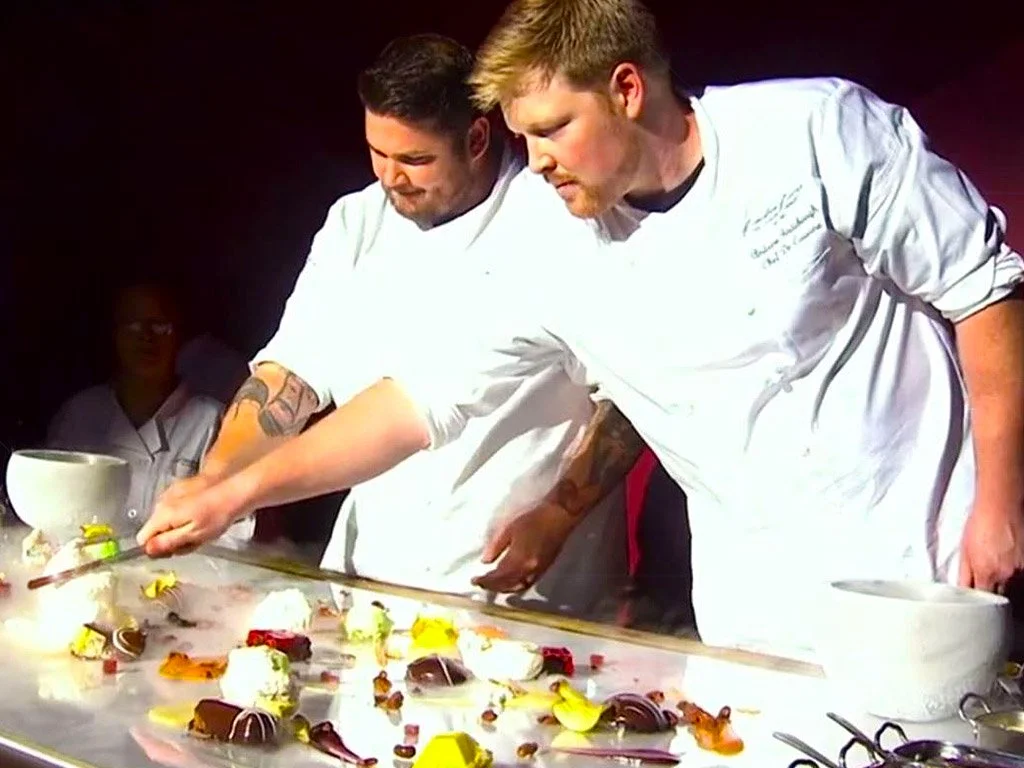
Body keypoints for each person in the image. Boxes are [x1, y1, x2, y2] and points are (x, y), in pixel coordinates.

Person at [138, 0, 1024, 660]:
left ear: (628, 90)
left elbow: (981, 289)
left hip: (922, 563)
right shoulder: (551, 244)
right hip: (754, 606)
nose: (539, 161)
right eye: (525, 136)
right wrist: (233, 492)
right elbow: (413, 405)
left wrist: (999, 503)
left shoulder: (813, 130)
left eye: (553, 129)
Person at [150, 34, 636, 620]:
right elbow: (291, 376)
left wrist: (559, 515)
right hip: (371, 573)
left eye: (414, 160)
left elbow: (629, 399)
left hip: (518, 590)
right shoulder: (356, 223)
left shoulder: (557, 227)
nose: (391, 178)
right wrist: (219, 476)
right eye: (377, 154)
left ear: (477, 138)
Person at [47, 280, 255, 541]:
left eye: (160, 326)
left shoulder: (211, 420)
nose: (146, 336)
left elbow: (235, 532)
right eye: (132, 325)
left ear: (179, 335)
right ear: (114, 335)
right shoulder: (80, 415)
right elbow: (51, 512)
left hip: (182, 576)